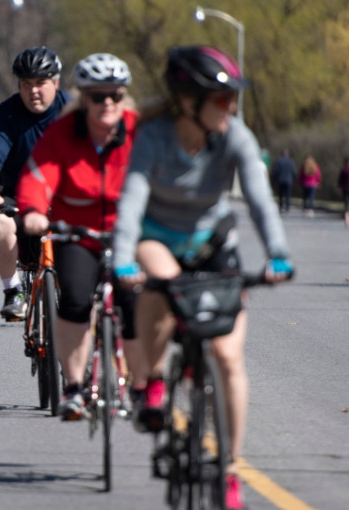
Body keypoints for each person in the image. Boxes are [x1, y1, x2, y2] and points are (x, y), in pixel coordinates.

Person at [112, 46, 293, 509]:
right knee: (162, 282)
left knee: (229, 359)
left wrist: (277, 254)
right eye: (221, 98)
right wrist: (122, 259)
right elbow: (130, 203)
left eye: (231, 98)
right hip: (156, 240)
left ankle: (229, 470)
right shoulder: (152, 137)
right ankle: (151, 380)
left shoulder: (235, 136)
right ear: (188, 101)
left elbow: (259, 199)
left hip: (214, 246)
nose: (230, 108)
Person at [16, 53, 144, 420]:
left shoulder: (138, 132)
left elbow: (161, 176)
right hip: (78, 233)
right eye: (97, 96)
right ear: (82, 99)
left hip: (127, 233)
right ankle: (73, 388)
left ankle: (139, 387)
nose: (106, 103)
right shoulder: (63, 133)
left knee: (136, 304)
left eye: (114, 96)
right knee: (73, 299)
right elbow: (39, 175)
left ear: (123, 97)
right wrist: (36, 211)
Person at [0, 46, 69, 321]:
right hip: (17, 197)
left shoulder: (73, 111)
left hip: (63, 199)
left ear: (56, 83)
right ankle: (13, 291)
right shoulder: (7, 113)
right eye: (26, 84)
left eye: (40, 83)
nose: (33, 91)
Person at [270, 147, 296, 213]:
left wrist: (274, 179)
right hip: (289, 180)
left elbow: (276, 171)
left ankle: (281, 206)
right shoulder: (291, 161)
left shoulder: (279, 161)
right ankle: (287, 206)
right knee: (288, 194)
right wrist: (293, 178)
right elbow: (294, 171)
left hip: (280, 180)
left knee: (280, 194)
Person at [337, 156, 349, 227]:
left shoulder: (343, 170)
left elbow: (340, 180)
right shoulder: (343, 170)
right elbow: (340, 180)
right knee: (346, 204)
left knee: (346, 204)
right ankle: (347, 218)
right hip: (345, 189)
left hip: (345, 188)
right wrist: (339, 187)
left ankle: (347, 217)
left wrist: (339, 187)